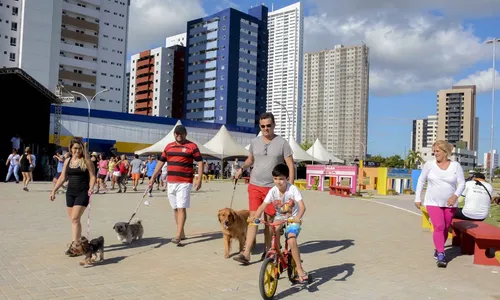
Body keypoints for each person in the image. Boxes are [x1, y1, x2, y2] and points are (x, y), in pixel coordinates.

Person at [233, 112, 295, 264]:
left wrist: (289, 189)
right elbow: (250, 160)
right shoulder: (255, 142)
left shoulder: (282, 143)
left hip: (273, 188)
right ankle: (246, 253)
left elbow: (290, 166)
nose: (266, 129)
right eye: (263, 126)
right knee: (253, 218)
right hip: (255, 185)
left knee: (269, 221)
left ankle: (269, 250)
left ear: (274, 125)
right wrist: (242, 168)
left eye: (268, 125)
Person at [247, 164, 308, 282]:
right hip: (280, 217)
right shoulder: (272, 191)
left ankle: (299, 269)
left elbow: (302, 207)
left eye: (281, 179)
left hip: (292, 218)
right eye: (275, 179)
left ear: (287, 178)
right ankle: (278, 254)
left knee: (291, 239)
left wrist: (298, 217)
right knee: (273, 230)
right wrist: (255, 217)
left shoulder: (293, 189)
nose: (278, 182)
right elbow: (262, 206)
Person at [149, 125, 203, 245]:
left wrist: (199, 179)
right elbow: (161, 162)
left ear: (185, 134)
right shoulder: (169, 147)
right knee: (175, 208)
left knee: (181, 207)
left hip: (184, 182)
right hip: (171, 182)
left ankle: (178, 235)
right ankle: (182, 232)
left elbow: (199, 161)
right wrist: (153, 177)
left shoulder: (192, 146)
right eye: (177, 133)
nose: (179, 135)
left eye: (181, 133)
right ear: (174, 134)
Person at [415, 140, 465, 268]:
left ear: (445, 152)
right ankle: (441, 255)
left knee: (445, 227)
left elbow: (462, 183)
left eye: (437, 151)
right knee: (439, 226)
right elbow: (421, 180)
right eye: (434, 151)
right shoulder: (429, 165)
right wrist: (417, 198)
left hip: (450, 203)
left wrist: (455, 196)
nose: (435, 153)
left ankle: (438, 248)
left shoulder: (455, 166)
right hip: (432, 202)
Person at [49, 137, 96, 256]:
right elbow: (62, 177)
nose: (77, 151)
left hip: (83, 193)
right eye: (75, 148)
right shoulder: (67, 161)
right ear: (70, 148)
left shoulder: (86, 161)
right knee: (74, 221)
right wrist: (54, 190)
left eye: (80, 148)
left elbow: (92, 176)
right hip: (70, 193)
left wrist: (91, 187)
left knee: (75, 218)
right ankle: (79, 243)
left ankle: (75, 246)